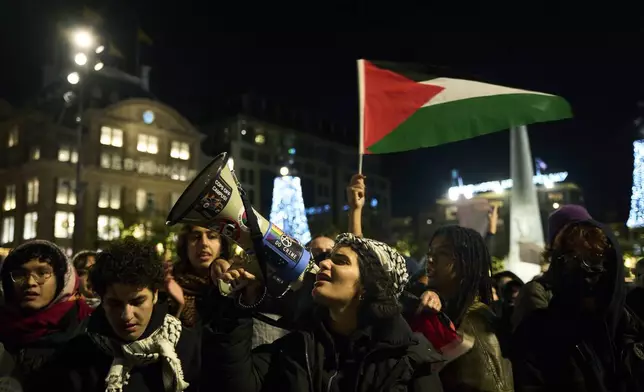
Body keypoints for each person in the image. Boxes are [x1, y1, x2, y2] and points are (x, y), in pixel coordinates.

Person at [207, 233, 443, 392]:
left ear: (367, 287)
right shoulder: (297, 346)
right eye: (327, 258)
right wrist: (238, 307)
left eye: (340, 261)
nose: (323, 264)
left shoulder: (409, 359)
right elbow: (239, 384)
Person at [36, 239, 200, 392]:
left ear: (155, 295)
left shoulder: (188, 344)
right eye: (115, 304)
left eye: (137, 302)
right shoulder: (77, 355)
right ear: (102, 300)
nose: (126, 315)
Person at [512, 220, 643, 391]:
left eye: (593, 259)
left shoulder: (631, 330)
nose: (584, 271)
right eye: (571, 259)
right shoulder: (537, 332)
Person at [418, 225, 513, 392]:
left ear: (465, 263)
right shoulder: (451, 310)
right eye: (431, 252)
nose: (431, 259)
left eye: (442, 253)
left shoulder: (474, 321)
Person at [0, 240, 92, 383]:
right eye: (20, 274)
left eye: (42, 273)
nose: (30, 282)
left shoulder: (88, 329)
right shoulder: (4, 326)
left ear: (62, 279)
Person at [512, 204, 592, 331]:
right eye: (573, 235)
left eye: (588, 235)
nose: (584, 242)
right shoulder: (537, 291)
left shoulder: (599, 283)